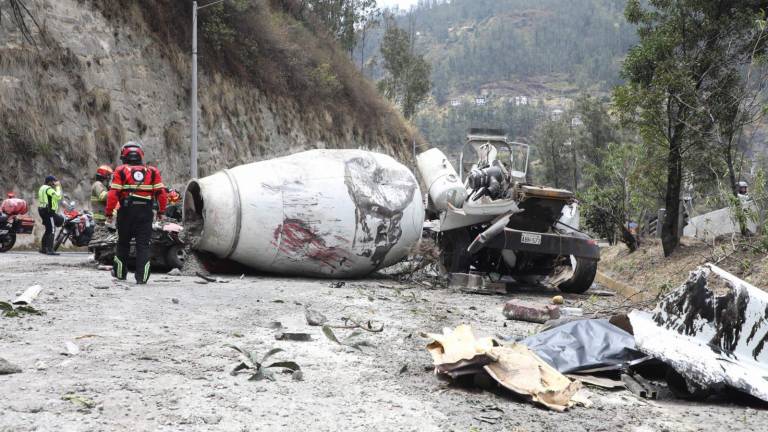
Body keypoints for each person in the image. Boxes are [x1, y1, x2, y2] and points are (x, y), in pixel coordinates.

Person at [106, 142, 167, 284]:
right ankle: (142, 278)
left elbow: (113, 194)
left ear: (124, 155)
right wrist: (161, 211)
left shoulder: (120, 170)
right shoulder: (152, 171)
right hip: (145, 212)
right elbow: (161, 194)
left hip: (126, 212)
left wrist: (109, 213)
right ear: (140, 155)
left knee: (123, 244)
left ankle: (121, 274)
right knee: (143, 245)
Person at [37, 175, 64, 255]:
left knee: (48, 229)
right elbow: (58, 197)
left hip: (42, 210)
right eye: (53, 181)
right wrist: (58, 187)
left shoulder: (42, 188)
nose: (54, 183)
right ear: (49, 181)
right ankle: (50, 249)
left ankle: (43, 248)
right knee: (52, 230)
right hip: (48, 211)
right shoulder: (48, 189)